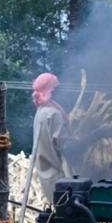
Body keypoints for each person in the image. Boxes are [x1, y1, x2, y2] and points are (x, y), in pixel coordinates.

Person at [31, 72, 71, 203]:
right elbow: (66, 146)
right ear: (51, 91)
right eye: (57, 89)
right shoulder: (53, 114)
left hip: (47, 178)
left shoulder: (40, 112)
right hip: (59, 179)